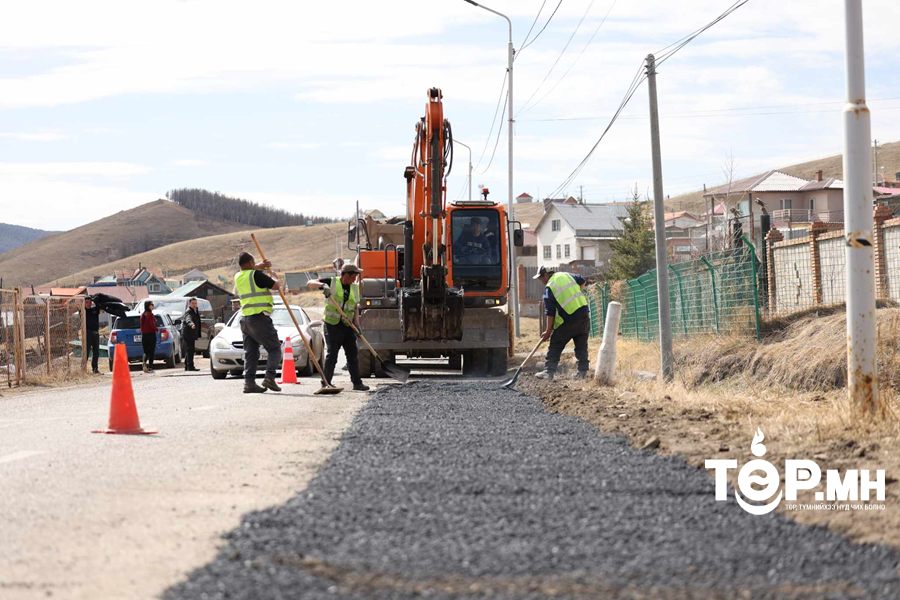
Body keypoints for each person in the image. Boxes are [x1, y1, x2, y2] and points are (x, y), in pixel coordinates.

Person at [307, 263, 370, 392]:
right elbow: (309, 283)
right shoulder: (332, 282)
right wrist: (322, 285)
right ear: (346, 275)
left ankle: (357, 383)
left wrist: (357, 325)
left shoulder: (355, 288)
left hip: (347, 326)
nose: (356, 278)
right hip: (332, 325)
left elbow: (355, 308)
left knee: (353, 355)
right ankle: (326, 383)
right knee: (332, 355)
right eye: (354, 275)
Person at [234, 251, 282, 393]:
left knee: (251, 353)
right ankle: (270, 378)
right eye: (253, 263)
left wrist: (260, 266)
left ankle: (249, 383)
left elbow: (249, 272)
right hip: (259, 318)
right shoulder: (256, 275)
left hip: (245, 319)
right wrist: (273, 276)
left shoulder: (238, 276)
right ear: (250, 262)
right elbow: (276, 286)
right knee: (274, 349)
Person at [533, 266, 590, 380]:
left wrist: (548, 331)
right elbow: (583, 281)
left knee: (556, 344)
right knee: (581, 345)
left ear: (546, 275)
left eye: (541, 278)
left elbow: (550, 312)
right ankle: (582, 372)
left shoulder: (550, 288)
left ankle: (548, 371)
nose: (542, 282)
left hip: (569, 318)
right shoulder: (567, 275)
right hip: (584, 314)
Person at [182, 298, 201, 372]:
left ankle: (188, 366)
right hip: (188, 334)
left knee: (189, 350)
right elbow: (188, 319)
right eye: (193, 303)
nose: (194, 305)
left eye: (195, 303)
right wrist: (191, 324)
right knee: (190, 350)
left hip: (191, 334)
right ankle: (190, 366)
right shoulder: (189, 311)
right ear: (189, 304)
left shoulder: (195, 311)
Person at [83, 297, 102, 374]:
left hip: (95, 333)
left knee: (96, 352)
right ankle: (83, 369)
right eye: (87, 302)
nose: (89, 304)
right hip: (87, 333)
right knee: (86, 351)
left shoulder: (94, 310)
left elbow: (99, 306)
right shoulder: (83, 311)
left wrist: (94, 299)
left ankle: (95, 368)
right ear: (84, 303)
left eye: (90, 302)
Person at [140, 300, 158, 373]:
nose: (153, 306)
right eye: (152, 304)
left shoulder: (142, 315)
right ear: (148, 306)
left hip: (144, 335)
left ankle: (144, 362)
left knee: (146, 351)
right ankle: (150, 367)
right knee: (152, 351)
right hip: (151, 334)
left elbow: (141, 325)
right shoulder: (150, 315)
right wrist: (157, 329)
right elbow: (152, 325)